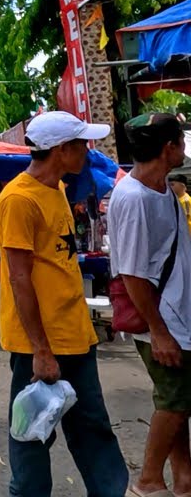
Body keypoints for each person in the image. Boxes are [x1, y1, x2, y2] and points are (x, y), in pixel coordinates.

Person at [0, 111, 127, 496]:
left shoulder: (57, 190)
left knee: (93, 430)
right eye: (82, 144)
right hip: (39, 343)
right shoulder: (18, 200)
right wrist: (40, 350)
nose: (88, 151)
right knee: (32, 435)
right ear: (60, 150)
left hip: (75, 333)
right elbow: (19, 278)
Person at [110, 113, 191, 497]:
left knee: (179, 400)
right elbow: (132, 274)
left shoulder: (161, 189)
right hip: (160, 319)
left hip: (175, 312)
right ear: (167, 148)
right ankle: (147, 480)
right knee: (175, 400)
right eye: (180, 140)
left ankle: (183, 478)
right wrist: (158, 332)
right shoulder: (134, 198)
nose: (185, 146)